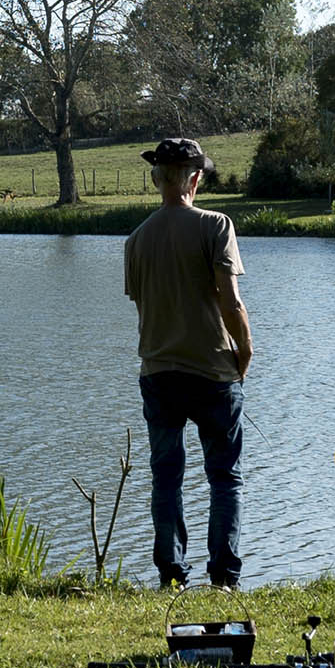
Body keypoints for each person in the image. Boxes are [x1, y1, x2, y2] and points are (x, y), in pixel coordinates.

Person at [123, 137, 253, 589]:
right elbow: (230, 300)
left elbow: (144, 305)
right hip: (214, 373)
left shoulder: (136, 239)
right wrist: (245, 350)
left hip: (158, 374)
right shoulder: (217, 225)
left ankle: (172, 575)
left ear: (157, 178)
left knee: (166, 477)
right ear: (195, 179)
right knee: (225, 477)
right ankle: (224, 578)